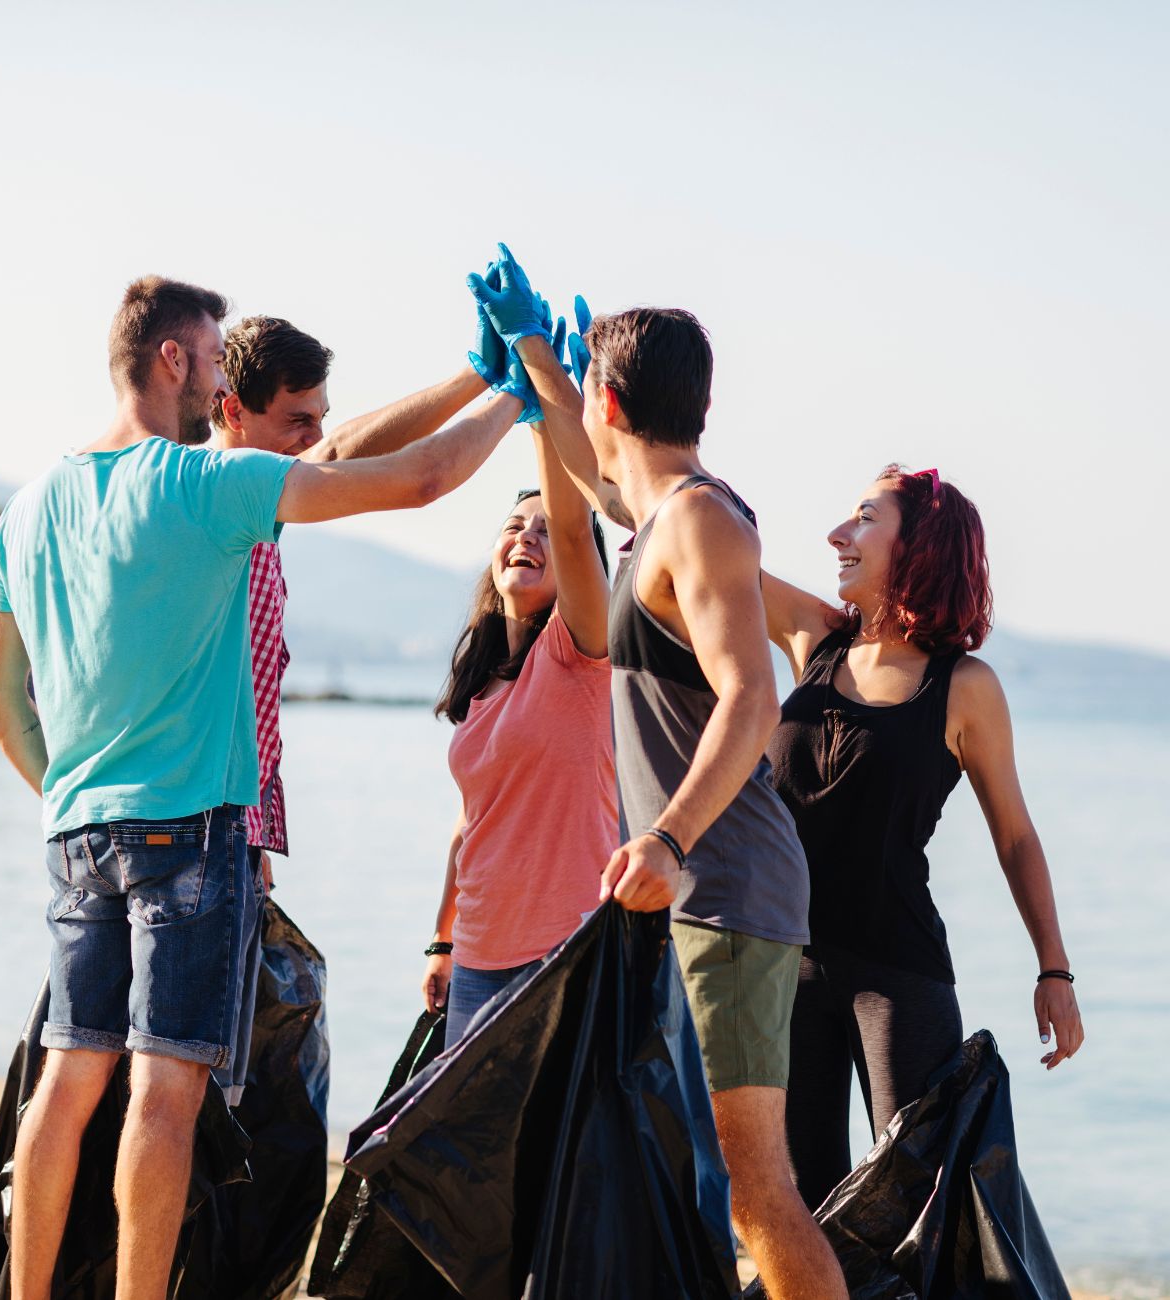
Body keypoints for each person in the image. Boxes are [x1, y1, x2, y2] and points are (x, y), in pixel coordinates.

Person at [0, 275, 526, 1300]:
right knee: (164, 1094)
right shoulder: (195, 488)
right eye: (210, 350)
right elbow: (412, 481)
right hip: (191, 830)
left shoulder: (29, 507)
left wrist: (74, 791)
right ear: (175, 361)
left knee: (67, 1076)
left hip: (77, 830)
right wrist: (522, 384)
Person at [478, 248, 848, 1300]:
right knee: (700, 1180)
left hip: (724, 890)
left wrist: (668, 836)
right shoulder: (658, 524)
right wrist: (535, 359)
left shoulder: (699, 519)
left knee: (752, 1192)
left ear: (610, 397)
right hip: (697, 896)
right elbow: (585, 481)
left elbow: (750, 698)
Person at [760, 465, 1085, 1212]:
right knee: (800, 1205)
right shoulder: (815, 639)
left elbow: (1015, 837)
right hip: (785, 965)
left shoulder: (963, 686)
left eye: (864, 518)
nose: (837, 535)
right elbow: (702, 538)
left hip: (896, 975)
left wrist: (1054, 972)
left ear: (920, 548)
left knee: (918, 1207)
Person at [207, 313, 493, 1093]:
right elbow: (420, 478)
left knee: (213, 1075)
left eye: (318, 417)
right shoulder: (215, 499)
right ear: (232, 408)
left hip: (230, 831)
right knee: (195, 1075)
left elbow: (340, 450)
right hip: (202, 833)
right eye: (293, 420)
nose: (313, 438)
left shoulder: (256, 503)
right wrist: (507, 392)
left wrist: (475, 376)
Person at [421, 454, 615, 1041]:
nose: (527, 536)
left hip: (564, 948)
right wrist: (443, 940)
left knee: (555, 1134)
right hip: (478, 953)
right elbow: (471, 824)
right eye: (514, 527)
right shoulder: (482, 687)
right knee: (470, 1135)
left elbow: (578, 527)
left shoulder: (579, 652)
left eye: (545, 530)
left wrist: (541, 414)